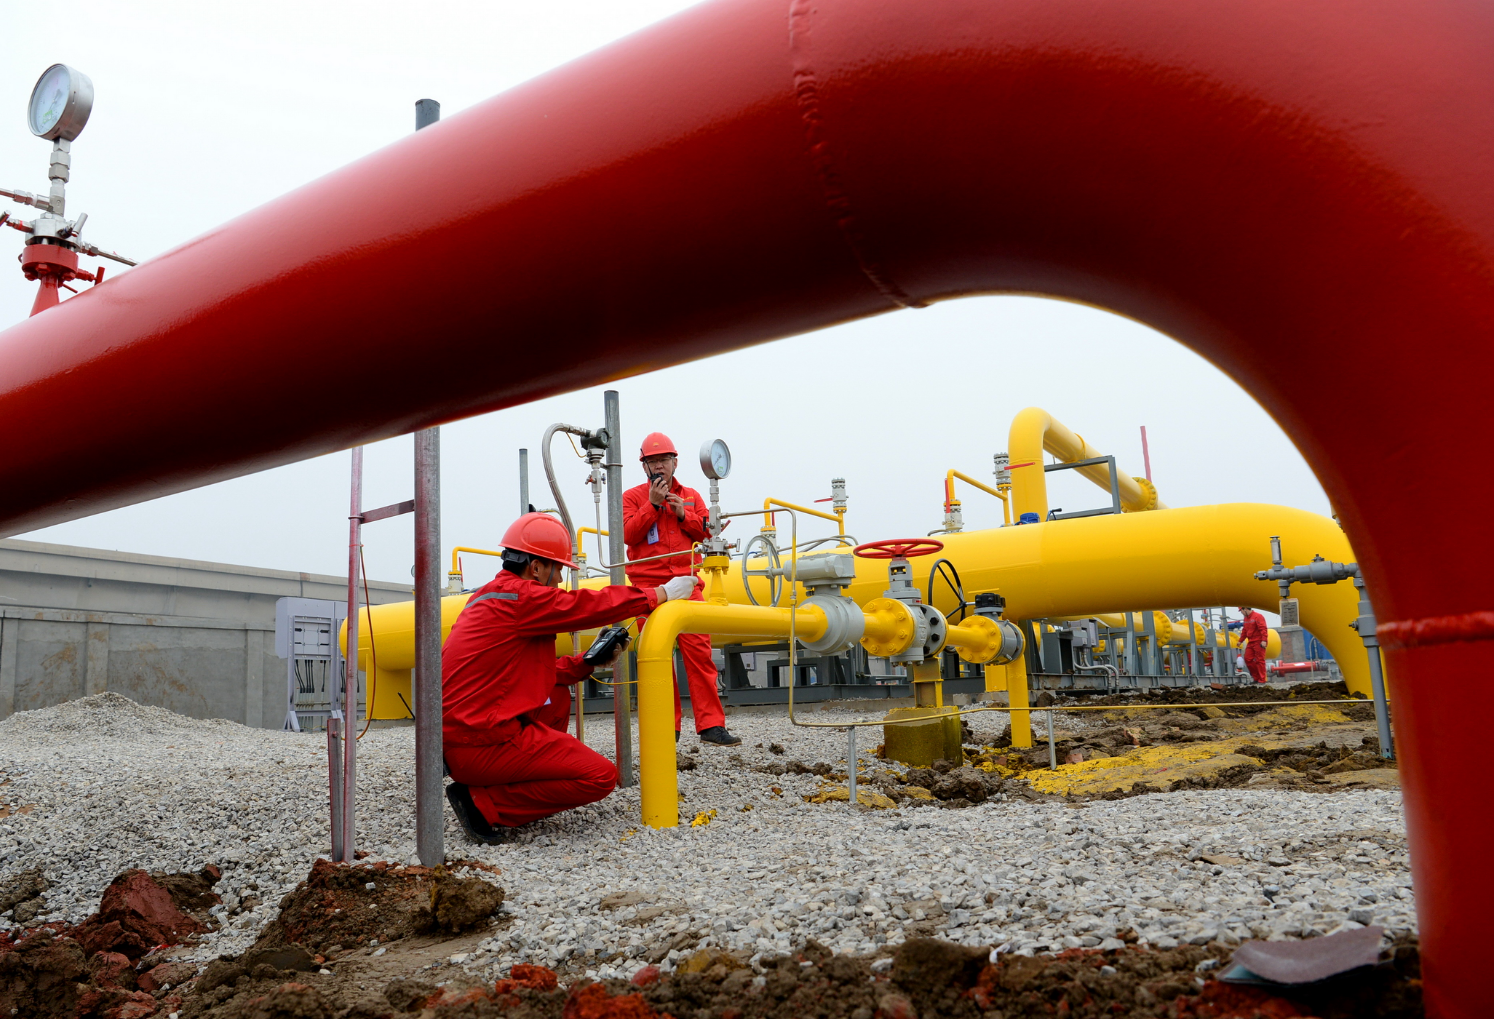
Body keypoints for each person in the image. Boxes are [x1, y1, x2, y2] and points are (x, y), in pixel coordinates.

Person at [441, 511, 699, 844]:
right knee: (599, 777)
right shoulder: (521, 598)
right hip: (480, 744)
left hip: (463, 738)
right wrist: (659, 593)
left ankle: (511, 780)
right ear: (536, 567)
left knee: (558, 694)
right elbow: (586, 605)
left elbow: (524, 673)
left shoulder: (491, 596)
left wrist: (586, 663)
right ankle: (482, 804)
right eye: (559, 568)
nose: (561, 578)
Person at [622, 431, 741, 747]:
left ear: (675, 462)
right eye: (653, 461)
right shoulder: (632, 498)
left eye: (664, 459)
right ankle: (666, 726)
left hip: (688, 585)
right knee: (657, 656)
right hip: (649, 589)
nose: (659, 465)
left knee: (700, 656)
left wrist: (683, 514)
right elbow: (628, 535)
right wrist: (652, 505)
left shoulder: (691, 496)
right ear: (644, 466)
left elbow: (708, 533)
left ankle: (711, 726)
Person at [1238, 606, 1269, 684]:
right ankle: (1256, 677)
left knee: (1260, 660)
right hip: (1251, 641)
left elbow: (1263, 629)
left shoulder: (1258, 616)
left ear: (1245, 609)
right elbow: (1244, 630)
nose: (1241, 612)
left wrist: (1264, 640)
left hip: (1259, 641)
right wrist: (1240, 641)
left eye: (1241, 610)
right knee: (1248, 659)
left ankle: (1262, 679)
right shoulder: (1246, 618)